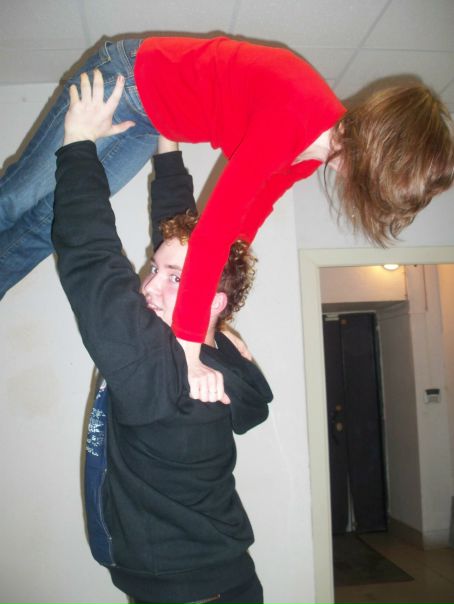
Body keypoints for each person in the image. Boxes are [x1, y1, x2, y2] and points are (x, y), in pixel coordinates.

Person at [2, 35, 454, 400]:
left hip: (149, 116)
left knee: (48, 222)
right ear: (379, 151)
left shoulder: (310, 152)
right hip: (126, 81)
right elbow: (212, 235)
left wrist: (213, 324)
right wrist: (189, 348)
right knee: (16, 198)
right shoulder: (295, 116)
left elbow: (241, 232)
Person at [51, 74, 272, 604]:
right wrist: (166, 143)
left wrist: (77, 143)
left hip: (184, 592)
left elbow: (92, 260)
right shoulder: (218, 356)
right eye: (154, 268)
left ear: (213, 301)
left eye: (172, 278)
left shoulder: (158, 365)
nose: (147, 285)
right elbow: (178, 243)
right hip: (222, 576)